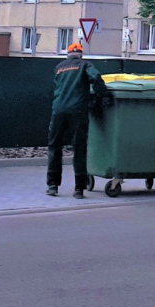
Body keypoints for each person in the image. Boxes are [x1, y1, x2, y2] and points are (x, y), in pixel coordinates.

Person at [46, 42, 107, 198]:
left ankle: (53, 185)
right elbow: (96, 78)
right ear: (80, 54)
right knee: (79, 148)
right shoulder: (85, 65)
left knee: (54, 146)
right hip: (77, 111)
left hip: (58, 110)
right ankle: (79, 188)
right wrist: (103, 96)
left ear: (68, 55)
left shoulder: (58, 67)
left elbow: (57, 87)